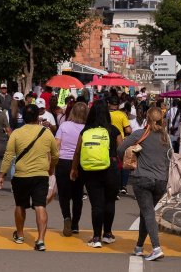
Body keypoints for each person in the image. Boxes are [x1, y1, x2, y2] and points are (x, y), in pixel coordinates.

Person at [0, 103, 60, 251]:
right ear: (37, 117)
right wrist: (51, 168)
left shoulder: (16, 133)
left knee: (20, 205)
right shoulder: (46, 133)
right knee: (40, 206)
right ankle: (40, 240)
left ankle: (19, 235)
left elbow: (8, 155)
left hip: (21, 175)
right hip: (40, 175)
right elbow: (55, 154)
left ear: (23, 118)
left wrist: (2, 174)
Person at [118, 105, 173, 261]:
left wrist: (133, 152)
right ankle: (139, 246)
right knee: (146, 212)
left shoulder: (139, 134)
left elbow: (121, 149)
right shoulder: (165, 138)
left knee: (148, 212)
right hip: (161, 180)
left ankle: (156, 247)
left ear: (147, 119)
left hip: (142, 178)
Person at [71, 100, 122, 248]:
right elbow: (122, 149)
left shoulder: (86, 131)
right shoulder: (113, 130)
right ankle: (108, 234)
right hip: (111, 168)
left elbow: (77, 152)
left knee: (96, 205)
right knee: (110, 202)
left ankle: (95, 237)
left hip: (91, 170)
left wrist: (74, 169)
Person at [51, 101, 87, 236]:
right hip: (80, 163)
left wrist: (52, 163)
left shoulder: (64, 125)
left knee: (64, 195)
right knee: (78, 195)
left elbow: (56, 145)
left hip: (63, 161)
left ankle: (66, 216)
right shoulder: (86, 128)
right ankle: (75, 224)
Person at [108, 96, 132, 195]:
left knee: (111, 165)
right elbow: (128, 130)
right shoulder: (122, 115)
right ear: (118, 105)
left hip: (107, 141)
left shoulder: (105, 114)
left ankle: (113, 186)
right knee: (123, 163)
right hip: (120, 141)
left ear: (109, 104)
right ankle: (123, 186)